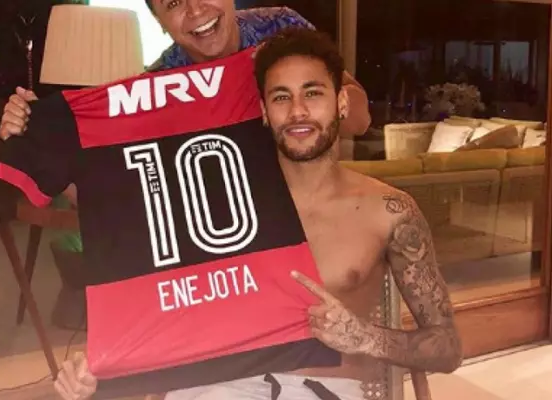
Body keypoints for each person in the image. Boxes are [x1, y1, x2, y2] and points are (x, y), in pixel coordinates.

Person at [54, 28, 462, 400]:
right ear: (265, 112)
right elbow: (148, 296)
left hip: (323, 387)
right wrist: (98, 368)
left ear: (340, 102)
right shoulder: (217, 205)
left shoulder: (389, 211)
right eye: (281, 97)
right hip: (214, 385)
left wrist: (365, 337)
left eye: (313, 93)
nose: (298, 111)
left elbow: (447, 348)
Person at [0, 1, 370, 156]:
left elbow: (360, 120)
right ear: (159, 23)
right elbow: (104, 177)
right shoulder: (158, 84)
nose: (194, 10)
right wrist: (39, 130)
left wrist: (299, 105)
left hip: (312, 214)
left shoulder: (282, 29)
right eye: (172, 3)